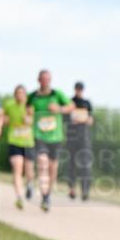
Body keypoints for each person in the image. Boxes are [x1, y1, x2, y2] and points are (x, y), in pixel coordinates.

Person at [28, 69, 73, 211]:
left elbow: (71, 106)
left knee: (53, 167)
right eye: (43, 79)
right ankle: (43, 193)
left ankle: (47, 194)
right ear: (38, 80)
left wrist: (59, 109)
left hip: (55, 137)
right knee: (43, 164)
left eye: (48, 79)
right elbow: (26, 109)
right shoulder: (33, 96)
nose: (46, 81)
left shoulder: (57, 94)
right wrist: (28, 114)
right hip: (39, 135)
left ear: (50, 80)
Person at [0, 86, 35, 209]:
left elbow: (34, 121)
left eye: (22, 93)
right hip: (14, 141)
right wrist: (3, 121)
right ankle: (19, 197)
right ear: (15, 95)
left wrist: (29, 119)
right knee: (17, 168)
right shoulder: (9, 105)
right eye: (18, 93)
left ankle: (30, 184)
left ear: (25, 95)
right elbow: (2, 117)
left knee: (29, 170)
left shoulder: (30, 106)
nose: (20, 95)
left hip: (28, 143)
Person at [66, 81, 95, 201]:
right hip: (72, 136)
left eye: (81, 89)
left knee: (85, 165)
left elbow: (90, 120)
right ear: (75, 89)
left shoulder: (87, 103)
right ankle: (72, 189)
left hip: (84, 137)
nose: (79, 91)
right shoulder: (69, 102)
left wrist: (84, 119)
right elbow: (67, 118)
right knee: (72, 164)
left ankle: (85, 191)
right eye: (77, 89)